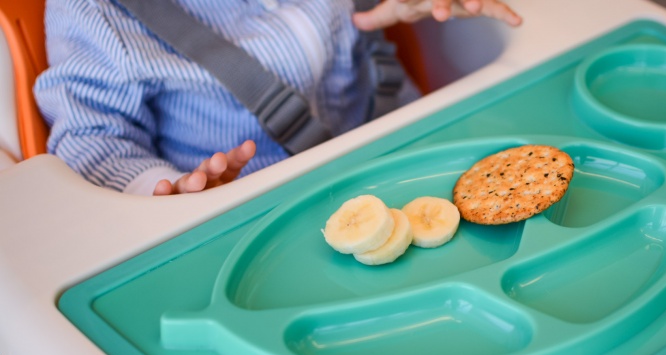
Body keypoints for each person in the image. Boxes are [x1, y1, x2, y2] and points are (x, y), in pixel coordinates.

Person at [33, 0, 522, 196]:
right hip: (251, 216)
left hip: (402, 150)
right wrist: (168, 191)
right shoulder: (96, 13)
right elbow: (92, 139)